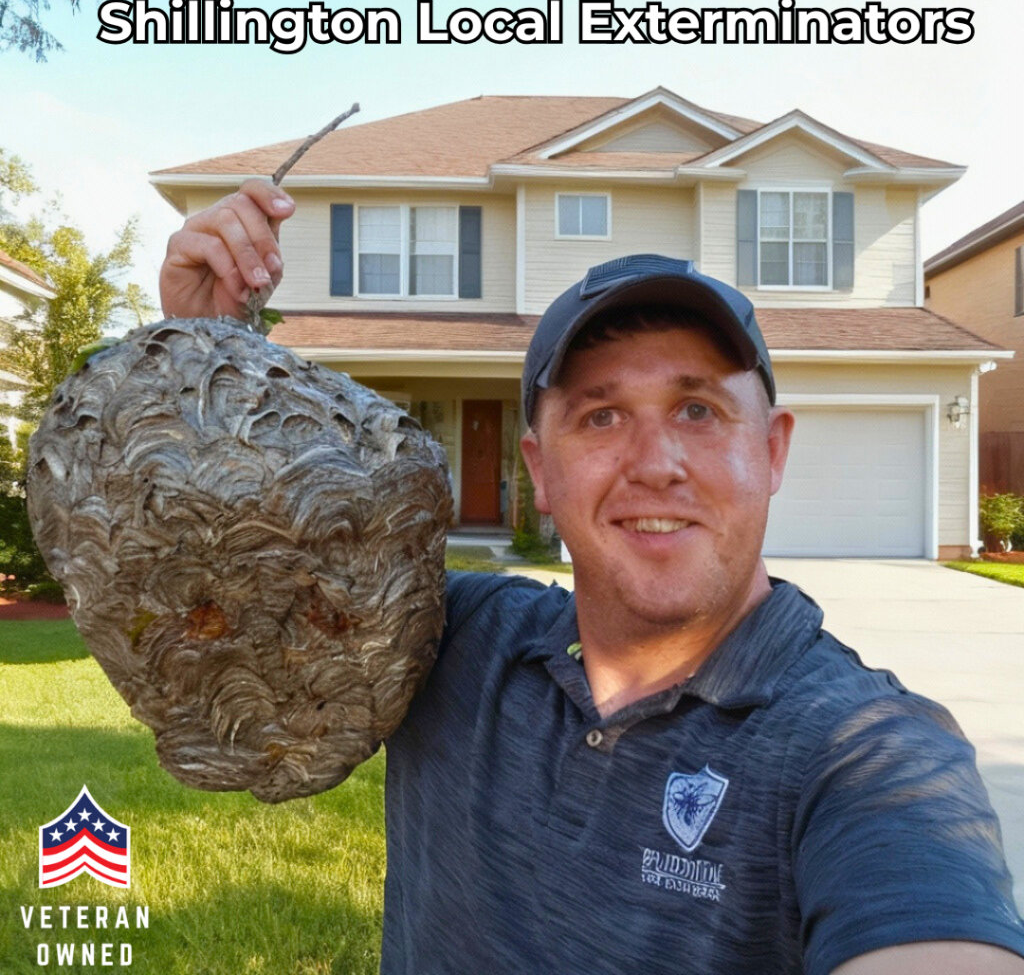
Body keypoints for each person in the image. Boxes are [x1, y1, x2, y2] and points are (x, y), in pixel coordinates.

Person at [160, 181, 1024, 975]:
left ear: (772, 450)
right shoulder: (446, 637)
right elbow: (228, 614)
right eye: (601, 415)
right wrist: (203, 354)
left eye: (697, 409)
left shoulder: (866, 752)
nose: (656, 463)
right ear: (538, 468)